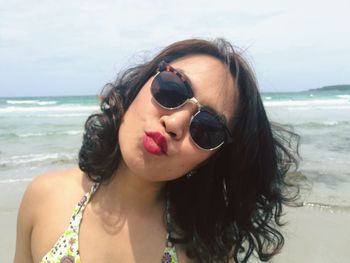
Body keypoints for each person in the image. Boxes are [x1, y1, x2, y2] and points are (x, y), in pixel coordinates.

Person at [14, 38, 299, 263]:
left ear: (211, 158)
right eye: (172, 88)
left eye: (207, 128)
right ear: (139, 85)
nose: (174, 123)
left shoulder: (206, 249)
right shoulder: (44, 196)